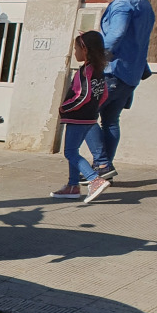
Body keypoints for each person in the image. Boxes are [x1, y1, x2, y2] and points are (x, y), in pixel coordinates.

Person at [87, 0, 156, 179]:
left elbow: (116, 35)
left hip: (112, 71)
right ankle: (103, 169)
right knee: (110, 120)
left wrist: (95, 58)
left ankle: (101, 165)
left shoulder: (123, 3)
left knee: (83, 116)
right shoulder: (143, 2)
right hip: (131, 74)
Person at [51, 31, 111, 203]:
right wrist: (94, 109)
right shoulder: (99, 69)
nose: (75, 51)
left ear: (85, 49)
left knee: (70, 152)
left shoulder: (85, 71)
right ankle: (73, 186)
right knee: (74, 151)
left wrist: (64, 108)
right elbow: (104, 94)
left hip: (78, 118)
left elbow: (82, 95)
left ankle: (94, 179)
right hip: (89, 117)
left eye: (76, 48)